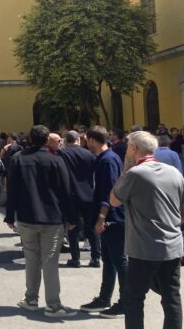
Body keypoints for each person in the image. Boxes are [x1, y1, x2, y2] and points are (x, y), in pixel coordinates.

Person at [111, 131, 184, 329]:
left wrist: (125, 169)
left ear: (133, 149)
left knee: (134, 298)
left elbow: (114, 200)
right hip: (172, 246)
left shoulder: (134, 174)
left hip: (143, 248)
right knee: (171, 297)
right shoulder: (173, 171)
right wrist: (172, 224)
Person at [5, 125, 78, 318]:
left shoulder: (18, 159)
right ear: (47, 140)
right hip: (52, 217)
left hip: (27, 216)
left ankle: (31, 299)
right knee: (50, 261)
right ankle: (53, 305)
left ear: (29, 139)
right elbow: (66, 190)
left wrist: (10, 215)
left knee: (31, 259)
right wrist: (72, 217)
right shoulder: (56, 159)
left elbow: (12, 189)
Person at [79, 126, 127, 318]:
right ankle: (104, 297)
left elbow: (109, 192)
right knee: (109, 259)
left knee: (120, 260)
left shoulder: (107, 161)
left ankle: (126, 302)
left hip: (112, 218)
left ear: (91, 140)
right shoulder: (104, 159)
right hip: (110, 217)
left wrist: (101, 218)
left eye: (85, 140)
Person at [58, 131, 99, 268]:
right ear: (79, 140)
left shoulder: (63, 154)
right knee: (92, 227)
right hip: (89, 194)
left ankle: (75, 258)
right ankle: (96, 257)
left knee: (73, 227)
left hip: (71, 195)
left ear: (66, 141)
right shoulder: (89, 154)